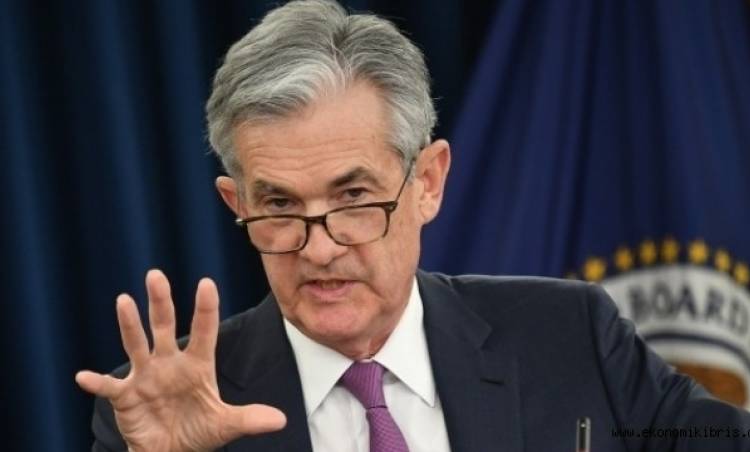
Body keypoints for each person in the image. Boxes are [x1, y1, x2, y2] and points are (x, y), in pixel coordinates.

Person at [75, 1, 750, 451]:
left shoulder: (570, 336)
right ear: (235, 202)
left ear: (427, 182)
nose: (319, 248)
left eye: (354, 197)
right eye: (279, 207)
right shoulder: (162, 414)